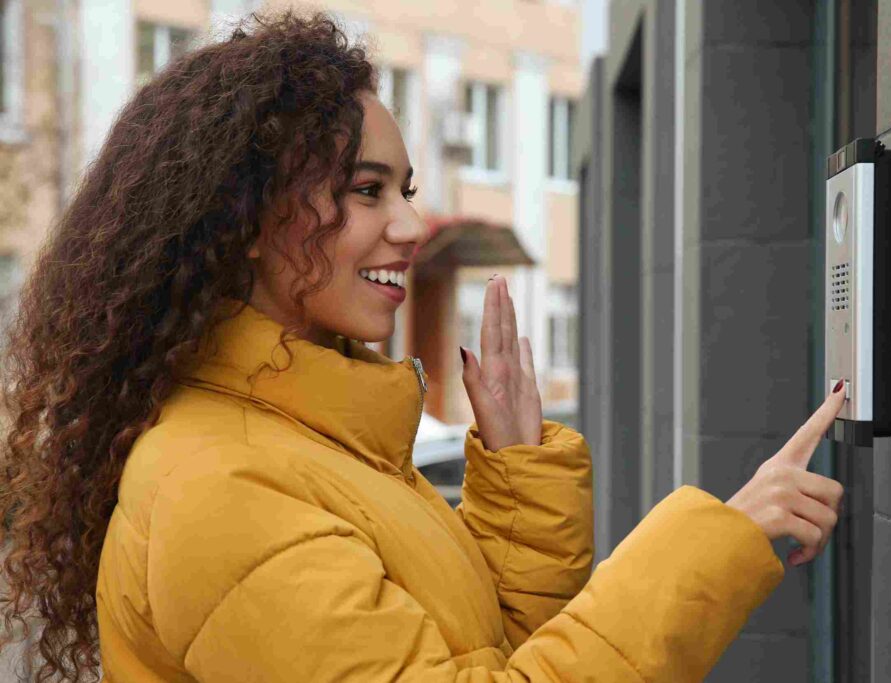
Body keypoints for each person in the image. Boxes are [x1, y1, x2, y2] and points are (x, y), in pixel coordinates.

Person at [0, 13, 845, 683]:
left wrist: (518, 472)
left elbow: (498, 657)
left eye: (403, 190)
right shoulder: (220, 489)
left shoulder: (319, 441)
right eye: (365, 191)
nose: (408, 226)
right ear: (245, 223)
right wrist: (720, 540)